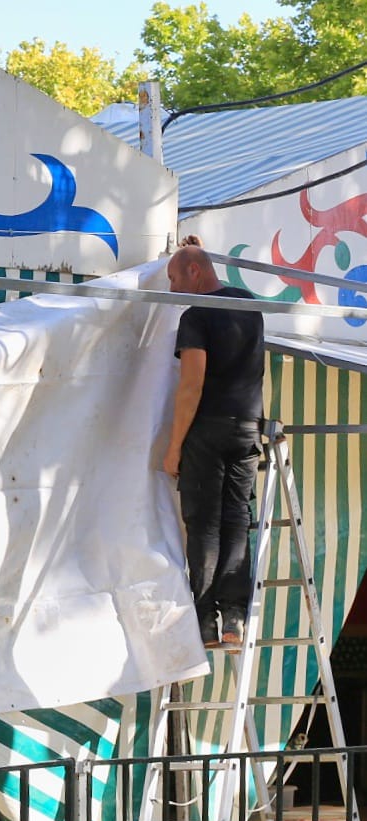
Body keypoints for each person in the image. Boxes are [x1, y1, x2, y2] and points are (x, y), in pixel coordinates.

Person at [161, 236, 265, 649]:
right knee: (237, 520)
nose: (170, 290)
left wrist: (173, 447)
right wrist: (195, 250)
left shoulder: (196, 316)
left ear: (194, 272)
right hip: (246, 428)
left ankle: (204, 622)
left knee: (203, 526)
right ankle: (234, 620)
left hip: (208, 430)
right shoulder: (250, 308)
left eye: (173, 277)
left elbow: (192, 385)